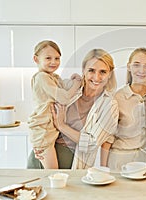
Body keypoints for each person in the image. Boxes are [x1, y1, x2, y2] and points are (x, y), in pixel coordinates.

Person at [27, 48, 118, 169]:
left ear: (110, 74)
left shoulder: (109, 105)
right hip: (42, 155)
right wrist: (38, 141)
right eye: (91, 70)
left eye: (103, 72)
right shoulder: (68, 86)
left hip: (72, 163)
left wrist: (61, 126)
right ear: (83, 70)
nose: (96, 77)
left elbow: (91, 144)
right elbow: (41, 107)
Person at [28, 40, 82, 169]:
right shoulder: (42, 77)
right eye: (48, 58)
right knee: (52, 172)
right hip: (43, 132)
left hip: (49, 131)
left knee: (53, 173)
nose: (53, 62)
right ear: (36, 59)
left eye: (57, 58)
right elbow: (64, 97)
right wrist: (76, 84)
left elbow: (66, 89)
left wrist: (75, 80)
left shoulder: (53, 77)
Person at [107, 48, 146, 172]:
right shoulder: (116, 98)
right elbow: (108, 138)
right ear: (129, 67)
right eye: (136, 65)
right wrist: (104, 169)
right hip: (120, 161)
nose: (141, 70)